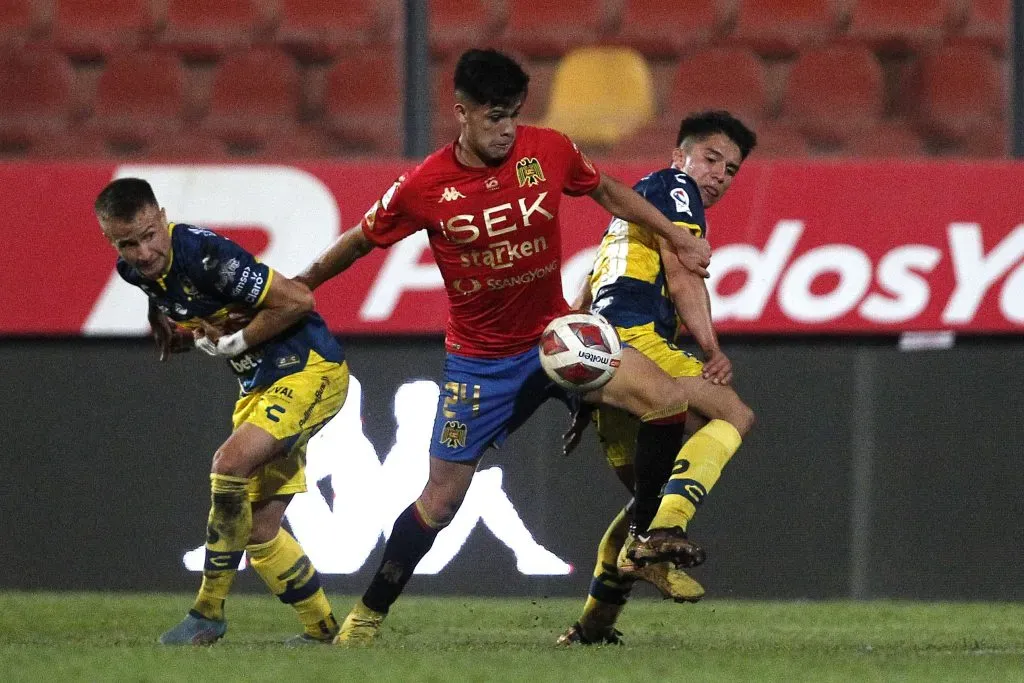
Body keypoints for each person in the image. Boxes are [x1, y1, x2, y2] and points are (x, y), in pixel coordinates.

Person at [295, 48, 714, 645]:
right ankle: (367, 616)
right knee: (439, 501)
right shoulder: (424, 186)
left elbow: (611, 194)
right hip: (481, 364)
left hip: (559, 339)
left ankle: (644, 539)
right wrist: (303, 284)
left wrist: (675, 235)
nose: (507, 129)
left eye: (514, 115)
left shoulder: (548, 152)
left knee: (669, 403)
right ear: (461, 111)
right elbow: (361, 240)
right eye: (494, 117)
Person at [95, 178, 349, 645]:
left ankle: (207, 613)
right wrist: (175, 331)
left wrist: (236, 340)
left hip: (308, 369)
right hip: (259, 385)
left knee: (228, 464)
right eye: (127, 243)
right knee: (261, 532)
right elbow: (171, 303)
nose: (144, 252)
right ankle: (323, 634)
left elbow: (299, 300)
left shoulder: (209, 258)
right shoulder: (134, 271)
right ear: (111, 240)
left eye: (150, 235)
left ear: (163, 217)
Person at [557, 111, 758, 645]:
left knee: (647, 494)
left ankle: (594, 627)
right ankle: (661, 534)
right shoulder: (674, 188)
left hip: (607, 359)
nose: (718, 174)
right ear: (680, 157)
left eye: (731, 169)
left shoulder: (628, 218)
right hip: (637, 339)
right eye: (710, 158)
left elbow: (583, 294)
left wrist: (580, 390)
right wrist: (711, 348)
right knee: (733, 414)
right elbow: (680, 266)